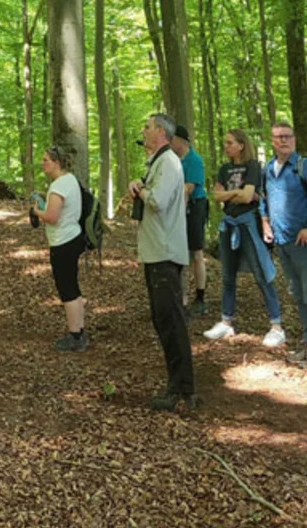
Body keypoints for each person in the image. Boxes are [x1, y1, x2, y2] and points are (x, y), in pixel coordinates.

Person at [129, 113, 196, 411]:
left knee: (171, 322)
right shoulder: (157, 162)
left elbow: (157, 201)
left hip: (166, 254)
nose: (143, 131)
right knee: (163, 320)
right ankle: (178, 384)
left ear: (162, 133)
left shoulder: (168, 162)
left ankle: (183, 388)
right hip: (156, 251)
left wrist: (141, 189)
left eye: (147, 127)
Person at [260, 121, 307, 368]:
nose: (284, 140)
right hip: (282, 243)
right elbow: (263, 199)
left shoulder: (304, 167)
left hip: (303, 245)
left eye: (288, 136)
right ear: (271, 141)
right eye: (278, 137)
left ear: (294, 139)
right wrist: (265, 223)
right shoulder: (268, 170)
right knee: (299, 296)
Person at [204, 129, 285, 348]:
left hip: (248, 223)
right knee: (228, 275)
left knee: (261, 273)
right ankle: (226, 321)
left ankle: (276, 326)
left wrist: (232, 195)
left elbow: (249, 196)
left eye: (230, 142)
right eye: (225, 142)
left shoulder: (252, 166)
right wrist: (237, 193)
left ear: (241, 145)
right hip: (228, 223)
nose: (226, 146)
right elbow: (216, 195)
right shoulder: (224, 169)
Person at [31, 145, 89, 352]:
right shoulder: (69, 180)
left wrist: (38, 211)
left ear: (57, 162)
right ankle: (80, 330)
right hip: (72, 238)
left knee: (67, 289)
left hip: (63, 242)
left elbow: (52, 217)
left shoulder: (58, 186)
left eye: (46, 159)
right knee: (72, 285)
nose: (42, 162)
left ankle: (76, 337)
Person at [171, 125, 209, 316]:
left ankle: (200, 297)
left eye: (173, 139)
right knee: (181, 253)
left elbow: (189, 188)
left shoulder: (194, 160)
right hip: (179, 209)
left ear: (182, 140)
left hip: (194, 208)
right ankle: (182, 298)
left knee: (196, 252)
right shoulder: (173, 160)